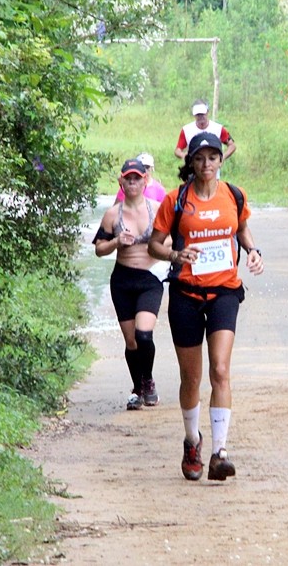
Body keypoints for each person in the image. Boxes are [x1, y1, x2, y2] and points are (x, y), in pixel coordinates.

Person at [149, 131, 264, 482]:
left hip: (225, 292)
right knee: (192, 378)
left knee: (221, 370)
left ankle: (220, 452)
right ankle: (191, 441)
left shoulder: (233, 195)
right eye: (199, 158)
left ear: (221, 159)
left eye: (213, 158)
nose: (206, 165)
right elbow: (154, 244)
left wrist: (253, 251)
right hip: (185, 293)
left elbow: (242, 229)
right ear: (191, 163)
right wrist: (174, 253)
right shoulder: (176, 199)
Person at [93, 158, 166, 411]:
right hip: (123, 280)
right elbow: (99, 249)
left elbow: (173, 243)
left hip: (150, 278)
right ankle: (137, 388)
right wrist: (116, 242)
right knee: (131, 341)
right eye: (129, 178)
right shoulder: (113, 214)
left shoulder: (158, 209)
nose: (133, 182)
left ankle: (148, 380)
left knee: (144, 334)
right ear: (121, 182)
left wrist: (162, 251)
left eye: (138, 178)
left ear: (145, 180)